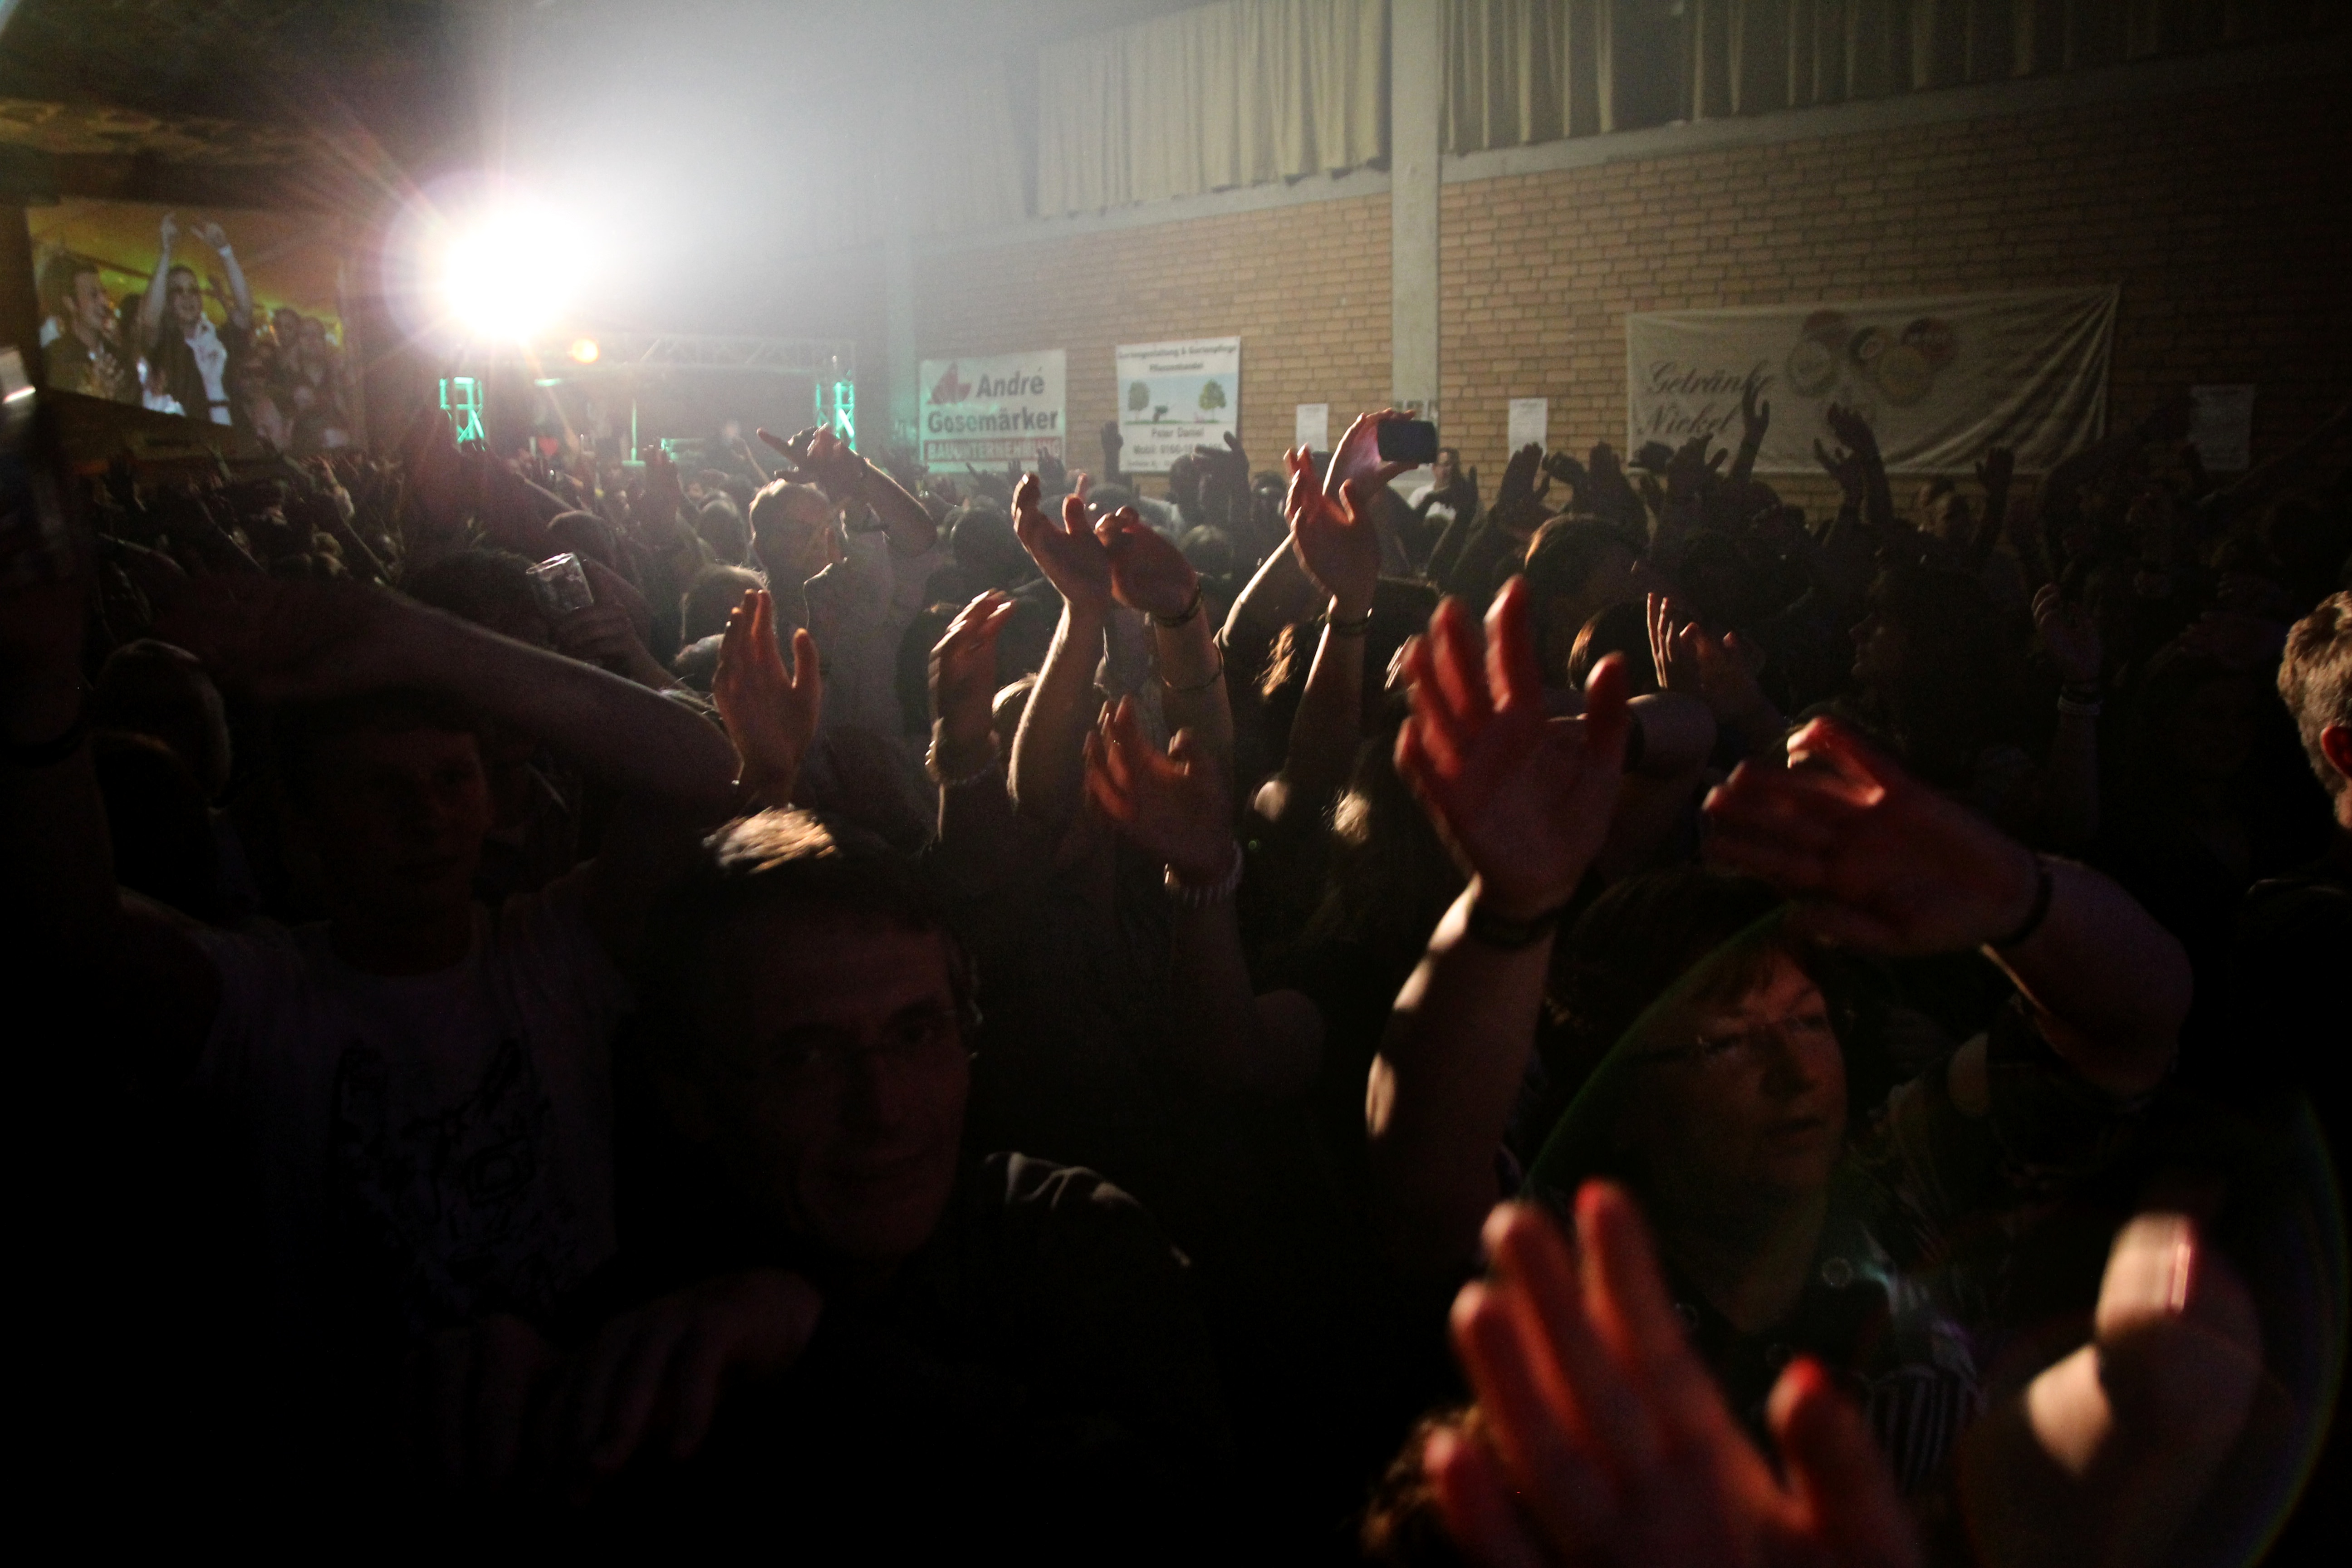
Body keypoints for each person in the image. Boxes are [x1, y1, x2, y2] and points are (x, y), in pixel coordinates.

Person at [2, 569, 740, 1416]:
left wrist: (411, 634)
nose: (425, 817)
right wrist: (38, 681)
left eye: (450, 780)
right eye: (380, 788)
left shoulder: (550, 954)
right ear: (304, 823)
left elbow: (703, 769)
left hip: (579, 1435)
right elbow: (72, 931)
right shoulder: (260, 1000)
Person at [412, 810, 1231, 1553]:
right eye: (803, 1056)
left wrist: (818, 1349)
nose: (882, 1108)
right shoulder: (622, 1347)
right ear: (687, 1092)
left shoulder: (1072, 1242)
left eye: (916, 1033)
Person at [136, 213, 254, 428]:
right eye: (178, 291)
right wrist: (165, 254)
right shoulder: (164, 343)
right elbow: (150, 319)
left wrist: (225, 251)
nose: (188, 297)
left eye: (193, 290)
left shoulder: (219, 341)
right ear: (167, 302)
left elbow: (245, 311)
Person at [37, 254, 134, 402]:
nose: (104, 301)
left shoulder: (120, 357)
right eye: (94, 295)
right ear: (71, 304)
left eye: (104, 293)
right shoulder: (55, 359)